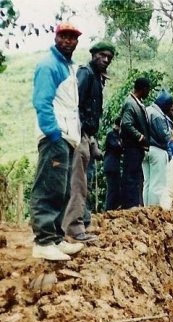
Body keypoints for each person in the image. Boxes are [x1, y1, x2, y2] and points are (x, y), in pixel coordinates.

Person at [30, 23, 85, 260]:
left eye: (73, 37)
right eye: (64, 36)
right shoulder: (49, 65)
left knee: (62, 189)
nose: (68, 41)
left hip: (67, 138)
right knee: (49, 187)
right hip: (56, 136)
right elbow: (42, 102)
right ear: (56, 37)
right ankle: (43, 241)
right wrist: (53, 133)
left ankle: (55, 238)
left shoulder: (68, 67)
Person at [62, 40, 114, 242]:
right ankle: (74, 228)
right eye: (102, 55)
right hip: (78, 134)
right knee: (77, 182)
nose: (106, 59)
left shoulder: (97, 78)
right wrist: (81, 136)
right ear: (94, 55)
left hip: (86, 136)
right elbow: (75, 105)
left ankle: (82, 220)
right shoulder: (86, 74)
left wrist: (93, 141)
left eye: (109, 57)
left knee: (84, 181)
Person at [120, 77, 152, 209]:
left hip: (137, 147)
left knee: (135, 175)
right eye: (148, 89)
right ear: (143, 89)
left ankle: (133, 203)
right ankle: (129, 205)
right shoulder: (130, 103)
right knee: (130, 175)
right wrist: (140, 137)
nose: (148, 92)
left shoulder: (137, 103)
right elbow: (126, 123)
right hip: (132, 146)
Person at [143, 89, 173, 208]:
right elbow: (164, 135)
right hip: (157, 150)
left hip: (146, 149)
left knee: (148, 183)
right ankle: (153, 209)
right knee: (157, 183)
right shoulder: (157, 115)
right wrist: (171, 132)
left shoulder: (147, 110)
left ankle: (146, 208)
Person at [103, 117, 123, 211]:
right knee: (112, 189)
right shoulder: (111, 134)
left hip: (115, 166)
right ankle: (108, 209)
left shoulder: (117, 135)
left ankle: (114, 208)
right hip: (110, 165)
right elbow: (117, 146)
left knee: (116, 188)